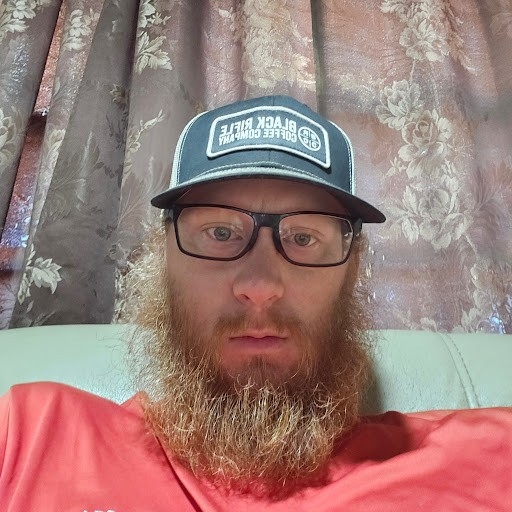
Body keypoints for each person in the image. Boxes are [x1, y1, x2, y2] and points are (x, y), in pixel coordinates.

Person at [1, 95, 511, 510]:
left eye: (304, 239)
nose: (261, 285)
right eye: (220, 232)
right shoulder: (27, 435)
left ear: (352, 269)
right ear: (164, 256)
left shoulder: (487, 456)